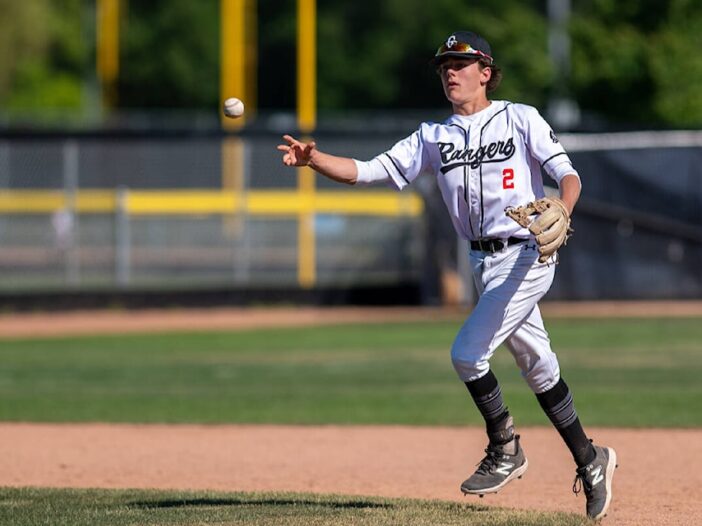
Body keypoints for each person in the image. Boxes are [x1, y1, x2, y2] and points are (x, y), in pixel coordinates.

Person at [277, 30, 617, 520]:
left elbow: (568, 174)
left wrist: (563, 209)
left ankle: (505, 447)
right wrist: (315, 161)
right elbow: (370, 170)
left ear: (486, 72)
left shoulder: (520, 118)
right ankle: (591, 460)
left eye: (460, 63)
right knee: (538, 365)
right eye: (444, 66)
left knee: (466, 354)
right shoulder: (431, 136)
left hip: (529, 252)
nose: (450, 72)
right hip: (484, 263)